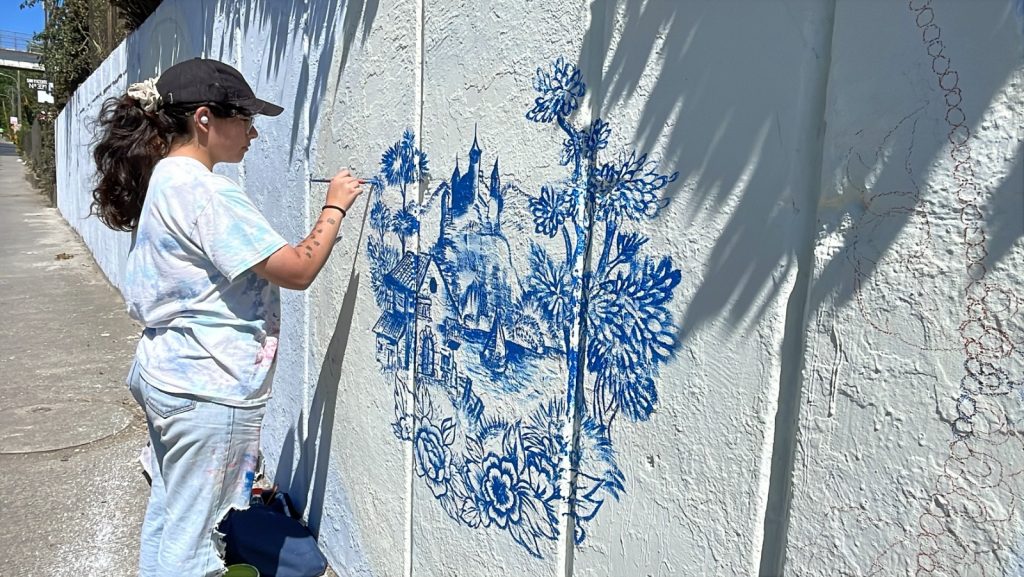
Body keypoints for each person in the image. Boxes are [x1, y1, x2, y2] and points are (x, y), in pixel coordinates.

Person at [90, 57, 363, 576]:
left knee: (172, 517)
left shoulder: (166, 176)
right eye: (245, 119)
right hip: (207, 390)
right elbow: (296, 269)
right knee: (195, 549)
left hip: (169, 374)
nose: (253, 133)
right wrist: (334, 207)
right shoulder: (207, 191)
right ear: (204, 120)